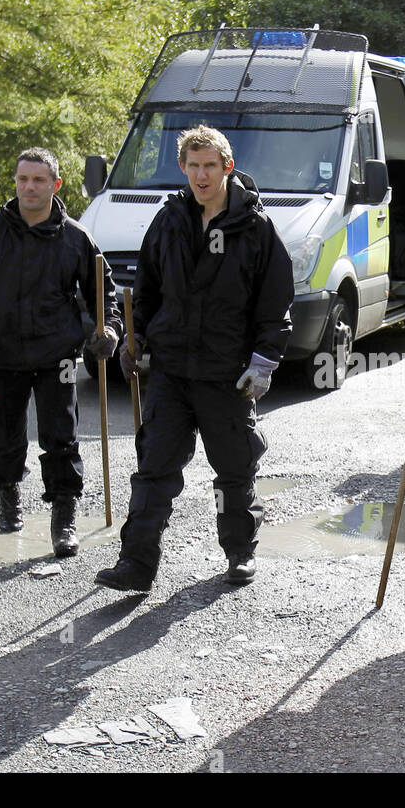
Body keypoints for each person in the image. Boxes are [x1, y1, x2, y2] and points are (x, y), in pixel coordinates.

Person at [95, 126, 293, 592]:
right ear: (183, 168)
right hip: (171, 372)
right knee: (153, 471)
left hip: (227, 375)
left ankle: (240, 554)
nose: (201, 175)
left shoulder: (256, 228)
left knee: (234, 470)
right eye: (193, 166)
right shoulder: (169, 221)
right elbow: (146, 290)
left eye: (210, 165)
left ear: (227, 166)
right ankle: (137, 566)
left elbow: (276, 303)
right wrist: (134, 337)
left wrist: (264, 362)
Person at [0, 147, 121, 557]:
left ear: (56, 184)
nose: (29, 187)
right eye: (22, 179)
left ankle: (63, 517)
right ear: (15, 182)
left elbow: (102, 296)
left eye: (38, 180)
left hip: (57, 357)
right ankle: (8, 495)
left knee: (61, 438)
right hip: (2, 355)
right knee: (4, 437)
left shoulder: (76, 238)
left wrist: (111, 330)